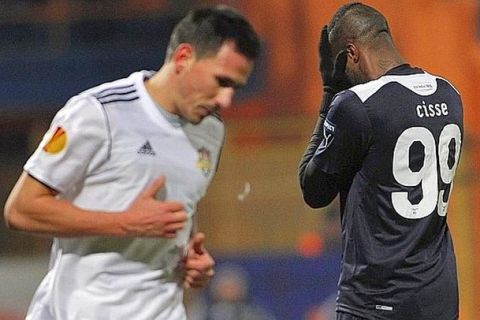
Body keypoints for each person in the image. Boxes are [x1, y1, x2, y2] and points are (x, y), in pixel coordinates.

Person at [4, 5, 261, 320]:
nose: (226, 100)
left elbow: (177, 214)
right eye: (221, 81)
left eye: (234, 87)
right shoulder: (99, 113)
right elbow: (21, 210)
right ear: (183, 58)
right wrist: (125, 223)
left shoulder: (212, 132)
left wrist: (191, 263)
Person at [299, 3, 462, 320]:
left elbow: (313, 190)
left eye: (341, 65)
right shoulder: (449, 94)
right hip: (439, 296)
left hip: (377, 300)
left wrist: (330, 97)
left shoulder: (358, 105)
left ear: (352, 52)